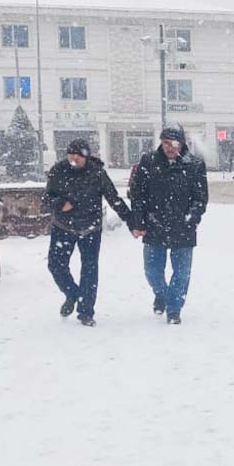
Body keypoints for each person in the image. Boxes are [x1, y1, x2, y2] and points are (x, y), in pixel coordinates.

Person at [43, 138, 134, 327]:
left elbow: (113, 198)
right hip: (63, 227)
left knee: (89, 270)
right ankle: (72, 294)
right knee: (55, 265)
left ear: (86, 156)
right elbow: (46, 199)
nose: (74, 158)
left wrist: (131, 221)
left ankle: (86, 312)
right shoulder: (58, 171)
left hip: (90, 229)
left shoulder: (97, 173)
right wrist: (59, 204)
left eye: (78, 155)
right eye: (70, 154)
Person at [129, 125, 209, 324]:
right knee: (152, 271)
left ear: (181, 143)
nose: (169, 147)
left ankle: (174, 309)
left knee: (181, 274)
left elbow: (200, 198)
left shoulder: (195, 165)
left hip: (183, 227)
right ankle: (162, 294)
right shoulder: (149, 162)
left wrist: (191, 217)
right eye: (165, 142)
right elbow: (138, 195)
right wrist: (139, 221)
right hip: (154, 225)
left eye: (173, 143)